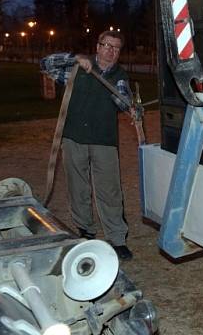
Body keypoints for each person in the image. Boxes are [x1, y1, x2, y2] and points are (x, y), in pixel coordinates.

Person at [40, 30, 134, 260]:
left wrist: (131, 106)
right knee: (77, 186)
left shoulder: (119, 75)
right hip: (73, 137)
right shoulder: (77, 68)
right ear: (98, 46)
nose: (111, 51)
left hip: (104, 140)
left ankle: (117, 239)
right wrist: (74, 58)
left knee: (109, 190)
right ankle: (85, 230)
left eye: (116, 48)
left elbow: (123, 101)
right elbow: (45, 64)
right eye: (107, 45)